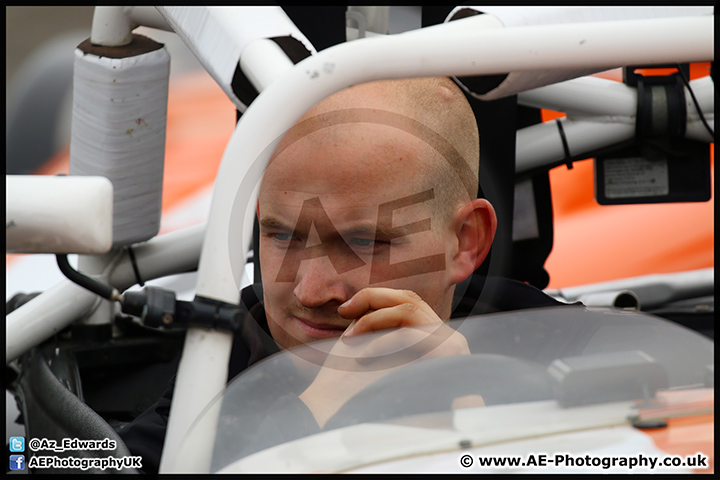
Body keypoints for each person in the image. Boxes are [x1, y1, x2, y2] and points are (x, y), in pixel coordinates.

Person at [118, 76, 572, 472]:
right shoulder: (223, 358)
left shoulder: (575, 357)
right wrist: (308, 424)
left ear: (466, 241)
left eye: (363, 243)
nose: (310, 290)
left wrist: (479, 435)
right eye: (283, 236)